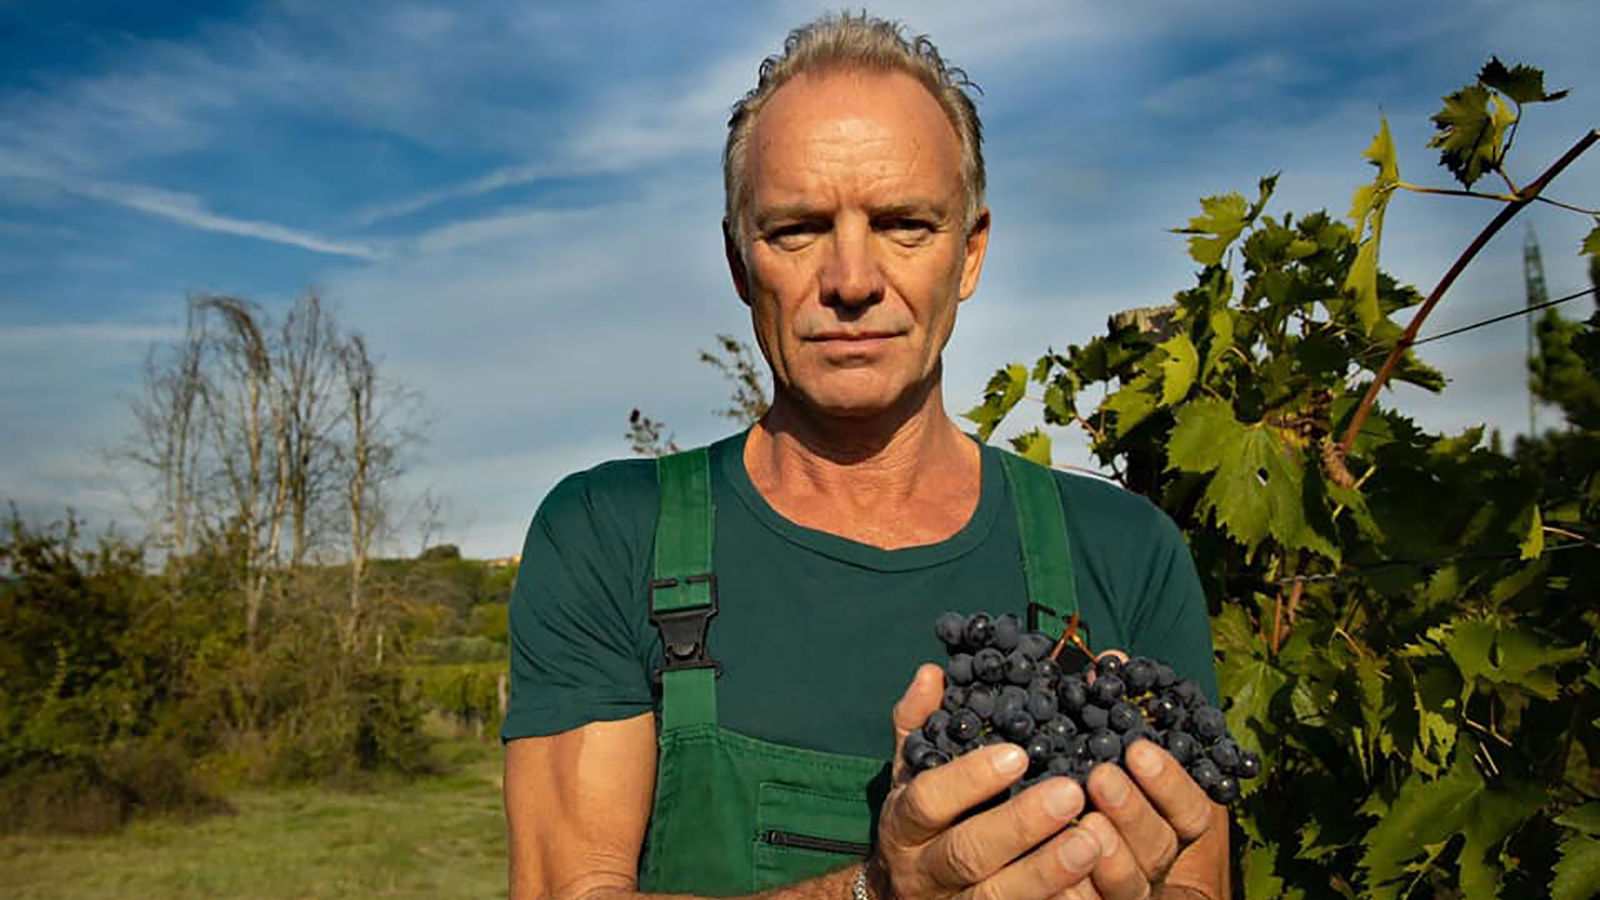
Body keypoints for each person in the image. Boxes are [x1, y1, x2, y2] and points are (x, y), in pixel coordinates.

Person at [503, 12, 1229, 900]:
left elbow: (1196, 878)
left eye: (903, 224)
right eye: (798, 229)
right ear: (739, 262)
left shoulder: (1125, 550)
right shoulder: (609, 538)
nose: (852, 280)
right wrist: (879, 892)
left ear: (970, 252)